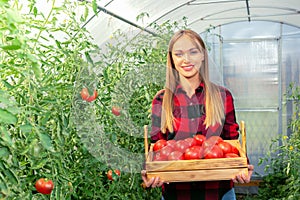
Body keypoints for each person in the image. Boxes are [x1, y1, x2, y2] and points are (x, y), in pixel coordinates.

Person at [141, 29, 254, 200]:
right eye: (179, 54)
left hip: (218, 193)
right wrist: (151, 172)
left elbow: (232, 143)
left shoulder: (222, 96)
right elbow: (158, 147)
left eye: (193, 52)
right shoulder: (161, 100)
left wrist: (241, 166)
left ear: (202, 55)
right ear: (172, 59)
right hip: (176, 194)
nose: (186, 60)